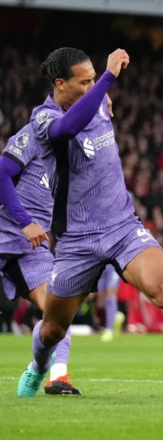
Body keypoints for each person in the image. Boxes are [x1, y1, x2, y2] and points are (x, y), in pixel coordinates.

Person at [17, 47, 163, 397]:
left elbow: (91, 106)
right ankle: (37, 368)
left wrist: (100, 90)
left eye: (95, 78)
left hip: (123, 226)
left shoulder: (98, 102)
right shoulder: (43, 120)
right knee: (52, 329)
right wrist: (107, 80)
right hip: (77, 240)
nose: (94, 85)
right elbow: (69, 126)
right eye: (86, 81)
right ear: (60, 84)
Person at [0, 125, 81, 395]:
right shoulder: (36, 133)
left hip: (31, 249)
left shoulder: (72, 152)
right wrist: (25, 222)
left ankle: (52, 374)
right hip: (6, 234)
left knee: (58, 310)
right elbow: (1, 172)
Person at [97, 264, 125, 342]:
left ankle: (109, 329)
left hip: (112, 266)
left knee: (110, 294)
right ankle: (116, 315)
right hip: (99, 265)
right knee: (101, 298)